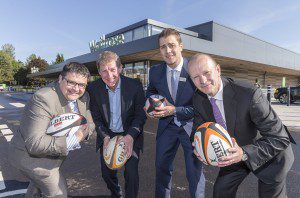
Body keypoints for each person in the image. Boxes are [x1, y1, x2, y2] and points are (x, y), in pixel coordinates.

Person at [188, 53, 295, 198]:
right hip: (233, 154)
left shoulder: (248, 93)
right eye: (195, 77)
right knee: (221, 193)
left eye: (206, 72)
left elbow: (279, 138)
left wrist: (244, 153)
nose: (203, 80)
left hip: (270, 154)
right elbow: (197, 130)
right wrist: (199, 147)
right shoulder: (198, 98)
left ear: (218, 70)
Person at [8, 62, 95, 198]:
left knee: (36, 186)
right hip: (31, 159)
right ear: (60, 79)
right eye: (71, 82)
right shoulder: (44, 98)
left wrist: (85, 133)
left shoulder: (84, 97)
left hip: (54, 156)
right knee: (59, 193)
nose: (76, 89)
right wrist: (74, 139)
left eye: (81, 85)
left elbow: (89, 123)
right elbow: (35, 144)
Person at [145, 28, 205, 198]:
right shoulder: (155, 72)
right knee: (162, 170)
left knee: (195, 174)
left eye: (171, 45)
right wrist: (148, 104)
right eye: (163, 47)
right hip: (166, 128)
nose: (168, 51)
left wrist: (174, 110)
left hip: (191, 128)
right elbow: (150, 92)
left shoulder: (194, 70)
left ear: (180, 46)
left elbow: (201, 108)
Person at [88, 51, 146, 198]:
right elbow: (96, 118)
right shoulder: (93, 89)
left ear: (120, 68)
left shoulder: (135, 86)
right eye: (104, 71)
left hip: (130, 133)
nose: (109, 75)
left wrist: (131, 136)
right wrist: (105, 137)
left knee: (131, 173)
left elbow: (140, 115)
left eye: (113, 70)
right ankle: (116, 193)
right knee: (107, 174)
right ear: (99, 73)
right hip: (108, 134)